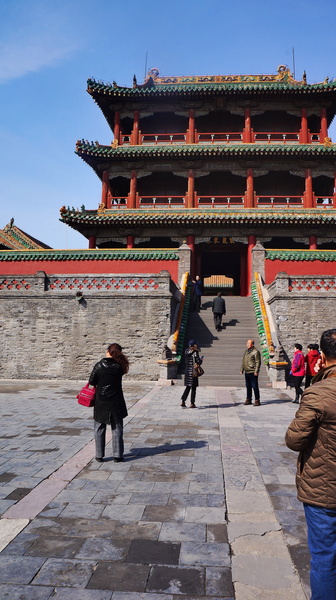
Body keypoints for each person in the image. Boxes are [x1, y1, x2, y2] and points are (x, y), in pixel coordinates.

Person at [285, 329, 336, 600]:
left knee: (325, 558)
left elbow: (294, 440)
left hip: (324, 489)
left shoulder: (318, 394)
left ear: (324, 356)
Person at [89, 343, 129, 463]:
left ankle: (99, 455)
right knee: (117, 428)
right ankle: (117, 455)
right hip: (116, 400)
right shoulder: (120, 366)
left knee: (99, 427)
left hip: (101, 400)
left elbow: (91, 381)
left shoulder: (99, 365)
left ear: (107, 350)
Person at [181, 339, 203, 408]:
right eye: (195, 344)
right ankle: (192, 403)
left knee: (187, 387)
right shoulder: (195, 352)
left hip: (187, 371)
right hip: (193, 372)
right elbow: (198, 362)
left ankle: (183, 401)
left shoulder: (186, 351)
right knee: (193, 388)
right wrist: (201, 360)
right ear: (193, 345)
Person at [241, 339, 261, 406]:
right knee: (248, 386)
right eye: (247, 343)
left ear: (252, 344)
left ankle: (257, 400)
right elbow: (243, 360)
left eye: (248, 343)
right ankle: (248, 399)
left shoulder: (256, 352)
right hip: (247, 371)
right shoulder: (246, 351)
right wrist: (242, 369)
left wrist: (256, 371)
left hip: (252, 371)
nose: (247, 345)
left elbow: (258, 362)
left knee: (255, 386)